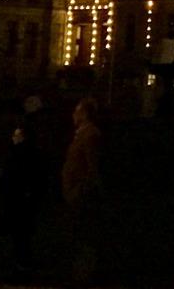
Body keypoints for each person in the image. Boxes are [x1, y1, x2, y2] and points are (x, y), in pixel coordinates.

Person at [60, 98, 103, 285]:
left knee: (83, 232)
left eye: (77, 111)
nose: (73, 115)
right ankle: (79, 271)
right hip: (74, 191)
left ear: (84, 114)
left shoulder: (90, 135)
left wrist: (82, 188)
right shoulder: (81, 134)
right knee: (77, 231)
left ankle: (84, 273)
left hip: (81, 193)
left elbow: (92, 166)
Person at [0, 122, 43, 279]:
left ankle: (21, 267)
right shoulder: (34, 153)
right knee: (23, 236)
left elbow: (12, 175)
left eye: (16, 135)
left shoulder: (17, 154)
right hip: (24, 199)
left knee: (19, 235)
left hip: (17, 200)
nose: (13, 138)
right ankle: (23, 265)